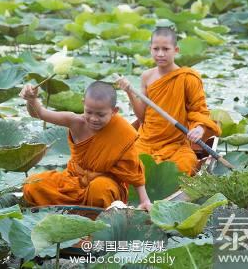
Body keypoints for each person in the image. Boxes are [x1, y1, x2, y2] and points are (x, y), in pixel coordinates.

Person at [20, 81, 152, 210]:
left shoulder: (121, 131)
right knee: (33, 184)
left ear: (114, 111)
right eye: (89, 112)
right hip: (73, 181)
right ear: (83, 104)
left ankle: (92, 220)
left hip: (105, 185)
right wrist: (32, 100)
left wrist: (144, 200)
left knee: (100, 189)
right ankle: (69, 212)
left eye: (100, 114)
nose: (94, 118)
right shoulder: (75, 121)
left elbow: (133, 171)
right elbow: (40, 113)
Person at [117, 27, 221, 176]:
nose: (160, 54)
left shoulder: (187, 78)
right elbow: (142, 117)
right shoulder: (146, 76)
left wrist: (199, 129)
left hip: (175, 144)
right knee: (128, 163)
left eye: (166, 49)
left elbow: (199, 110)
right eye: (156, 49)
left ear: (176, 50)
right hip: (146, 141)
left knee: (186, 165)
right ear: (150, 49)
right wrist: (129, 91)